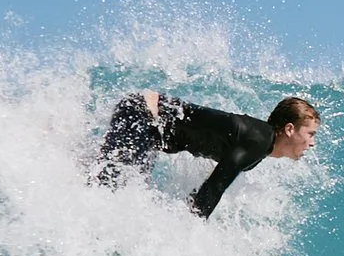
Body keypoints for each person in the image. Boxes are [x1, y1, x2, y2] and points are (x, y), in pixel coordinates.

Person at [94, 91, 320, 218]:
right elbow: (215, 185)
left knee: (117, 187)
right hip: (142, 114)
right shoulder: (259, 141)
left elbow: (210, 184)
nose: (312, 143)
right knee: (110, 188)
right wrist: (188, 234)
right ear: (290, 129)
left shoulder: (260, 145)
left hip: (147, 124)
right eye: (310, 134)